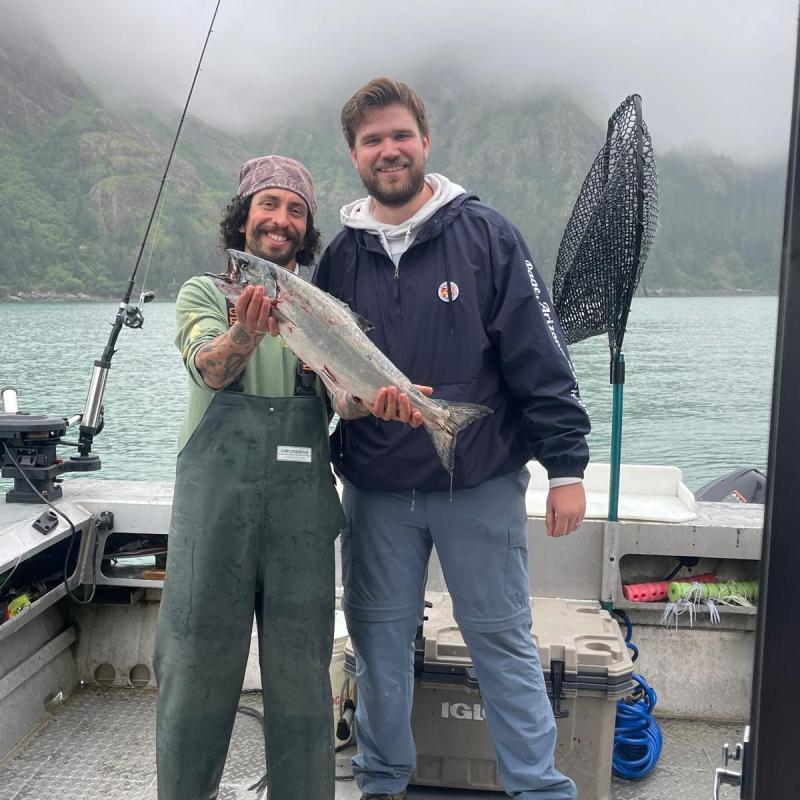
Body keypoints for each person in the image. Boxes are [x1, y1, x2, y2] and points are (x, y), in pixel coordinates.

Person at [314, 78, 591, 800]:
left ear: (426, 142)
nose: (389, 150)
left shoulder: (488, 235)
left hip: (480, 480)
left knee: (501, 645)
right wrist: (348, 401)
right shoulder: (338, 260)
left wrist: (566, 465)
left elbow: (539, 352)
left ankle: (540, 789)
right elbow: (324, 381)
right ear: (354, 155)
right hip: (376, 489)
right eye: (372, 140)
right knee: (377, 650)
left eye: (400, 135)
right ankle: (381, 783)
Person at [154, 155, 344, 800]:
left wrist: (385, 400)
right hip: (216, 510)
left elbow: (346, 404)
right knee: (194, 667)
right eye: (269, 205)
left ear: (306, 228)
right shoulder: (204, 292)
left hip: (302, 517)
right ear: (243, 216)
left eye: (295, 210)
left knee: (301, 677)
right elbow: (207, 367)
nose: (281, 220)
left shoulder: (324, 309)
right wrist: (244, 331)